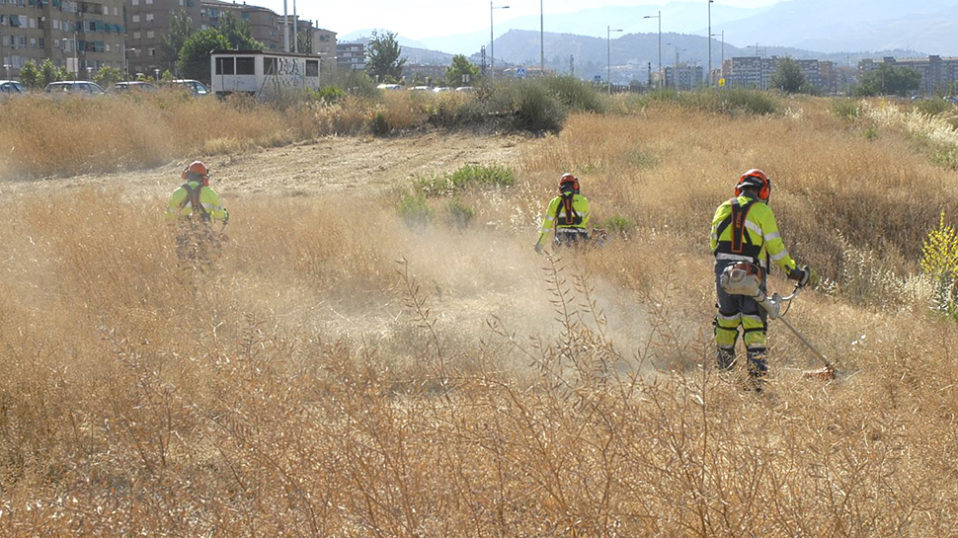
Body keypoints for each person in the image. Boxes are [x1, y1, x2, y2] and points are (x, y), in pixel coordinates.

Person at [709, 168, 818, 389]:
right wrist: (793, 271)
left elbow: (713, 243)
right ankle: (757, 380)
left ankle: (724, 373)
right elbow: (775, 248)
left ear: (740, 188)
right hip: (752, 273)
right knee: (754, 323)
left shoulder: (723, 207)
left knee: (726, 320)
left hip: (724, 273)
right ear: (763, 191)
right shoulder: (762, 211)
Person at [166, 160, 229, 268]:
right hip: (205, 233)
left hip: (184, 234)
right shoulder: (210, 193)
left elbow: (169, 218)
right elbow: (219, 215)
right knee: (208, 262)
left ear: (187, 175)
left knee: (184, 263)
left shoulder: (177, 193)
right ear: (203, 177)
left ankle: (185, 281)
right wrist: (225, 215)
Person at [534, 173, 591, 253]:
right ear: (574, 186)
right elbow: (585, 220)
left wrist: (540, 243)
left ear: (560, 188)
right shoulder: (584, 201)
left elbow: (546, 226)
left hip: (562, 239)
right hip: (581, 238)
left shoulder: (554, 202)